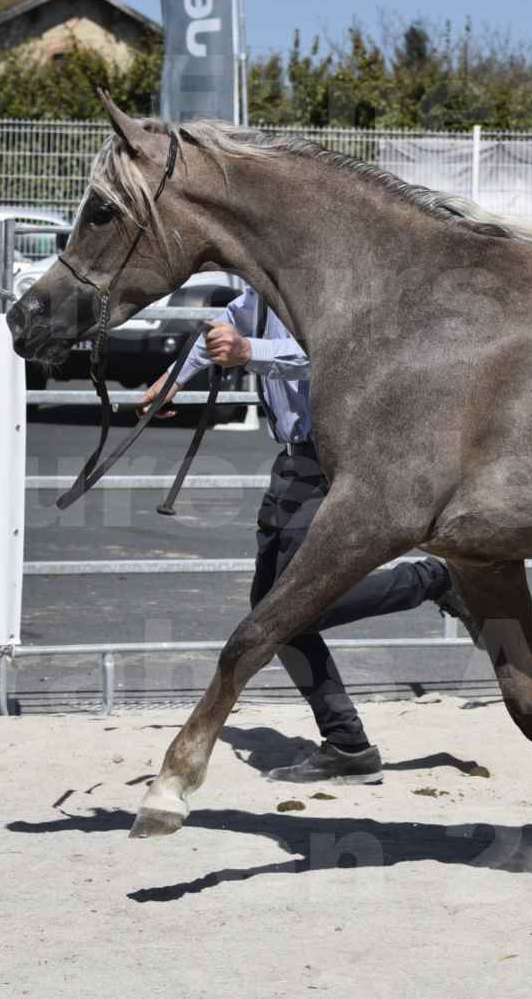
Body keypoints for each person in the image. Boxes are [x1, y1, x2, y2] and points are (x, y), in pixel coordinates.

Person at [140, 285, 469, 786]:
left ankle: (430, 581)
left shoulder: (330, 277)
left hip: (339, 464)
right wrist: (176, 378)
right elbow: (227, 322)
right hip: (294, 462)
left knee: (290, 608)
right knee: (268, 608)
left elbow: (329, 354)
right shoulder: (263, 284)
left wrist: (250, 351)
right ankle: (347, 744)